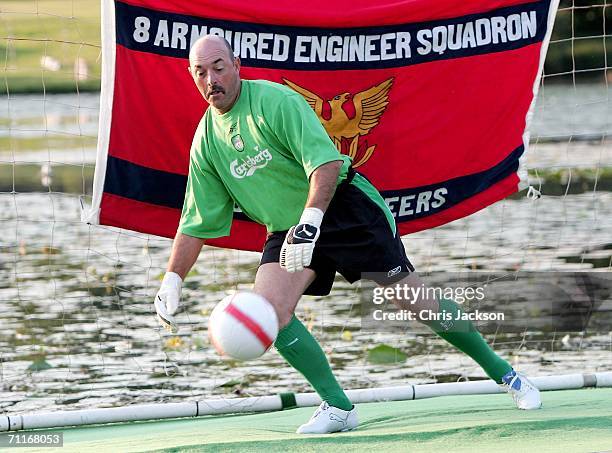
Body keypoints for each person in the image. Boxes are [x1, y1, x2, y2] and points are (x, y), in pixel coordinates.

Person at [154, 35, 541, 435]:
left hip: (342, 207)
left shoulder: (276, 102)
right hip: (289, 228)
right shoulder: (205, 141)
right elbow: (195, 220)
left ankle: (507, 376)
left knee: (415, 301)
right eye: (200, 72)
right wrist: (173, 279)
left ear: (236, 66)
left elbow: (325, 165)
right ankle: (338, 406)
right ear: (192, 76)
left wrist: (311, 221)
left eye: (218, 67)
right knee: (271, 312)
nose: (211, 78)